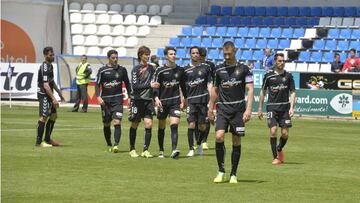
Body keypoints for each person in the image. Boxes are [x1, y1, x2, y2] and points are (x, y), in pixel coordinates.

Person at [208, 41, 254, 184]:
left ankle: (234, 173)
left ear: (235, 51)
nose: (227, 56)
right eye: (225, 54)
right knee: (219, 136)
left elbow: (250, 89)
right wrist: (210, 108)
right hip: (222, 109)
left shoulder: (244, 69)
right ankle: (221, 171)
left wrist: (248, 109)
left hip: (238, 110)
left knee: (236, 140)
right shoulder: (218, 70)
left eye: (229, 53)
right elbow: (215, 90)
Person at [257, 53, 296, 165]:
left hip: (284, 108)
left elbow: (292, 92)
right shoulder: (268, 76)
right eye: (279, 61)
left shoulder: (288, 76)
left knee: (285, 134)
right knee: (273, 131)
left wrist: (292, 107)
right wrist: (260, 108)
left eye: (283, 61)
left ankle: (279, 148)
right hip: (272, 107)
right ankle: (275, 157)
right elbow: (263, 91)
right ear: (275, 61)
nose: (281, 63)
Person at [152, 47, 186, 159]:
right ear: (166, 56)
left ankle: (174, 149)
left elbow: (183, 86)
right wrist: (156, 98)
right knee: (161, 127)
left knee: (174, 125)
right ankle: (161, 150)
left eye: (174, 54)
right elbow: (155, 87)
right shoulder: (160, 70)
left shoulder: (180, 70)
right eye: (171, 54)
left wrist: (185, 99)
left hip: (175, 102)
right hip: (163, 102)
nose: (173, 56)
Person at [95, 50, 131, 153]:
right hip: (105, 102)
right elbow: (97, 84)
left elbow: (127, 83)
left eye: (116, 57)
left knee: (117, 121)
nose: (115, 59)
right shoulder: (102, 70)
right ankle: (109, 144)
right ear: (109, 58)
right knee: (106, 123)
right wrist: (98, 96)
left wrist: (130, 97)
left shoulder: (122, 70)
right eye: (113, 58)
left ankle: (116, 145)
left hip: (118, 101)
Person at [183, 46, 212, 157]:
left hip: (203, 100)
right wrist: (183, 99)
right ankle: (191, 149)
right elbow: (182, 86)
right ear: (190, 54)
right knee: (191, 124)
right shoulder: (185, 70)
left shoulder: (206, 68)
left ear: (199, 55)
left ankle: (199, 144)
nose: (195, 54)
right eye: (193, 53)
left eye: (197, 53)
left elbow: (209, 84)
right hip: (191, 101)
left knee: (202, 126)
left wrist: (210, 99)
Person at [128, 46, 156, 158]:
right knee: (135, 123)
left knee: (149, 124)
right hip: (137, 100)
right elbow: (135, 86)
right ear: (140, 55)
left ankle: (145, 150)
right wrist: (149, 85)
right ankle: (132, 148)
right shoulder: (136, 69)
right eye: (145, 54)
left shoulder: (152, 68)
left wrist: (155, 97)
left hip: (148, 100)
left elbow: (154, 84)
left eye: (148, 54)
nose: (148, 56)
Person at [36, 46, 65, 147]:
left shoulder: (50, 66)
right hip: (44, 94)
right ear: (45, 55)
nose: (52, 56)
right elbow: (45, 85)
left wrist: (59, 94)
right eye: (50, 55)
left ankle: (48, 139)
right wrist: (54, 99)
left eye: (53, 54)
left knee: (53, 115)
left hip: (49, 94)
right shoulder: (44, 66)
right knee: (43, 117)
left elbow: (51, 82)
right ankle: (39, 143)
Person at [198, 47, 216, 150]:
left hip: (207, 94)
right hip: (196, 94)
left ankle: (204, 141)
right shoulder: (194, 66)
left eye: (203, 57)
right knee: (196, 120)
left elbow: (213, 79)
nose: (201, 59)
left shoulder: (210, 65)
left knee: (207, 118)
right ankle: (198, 141)